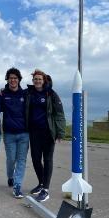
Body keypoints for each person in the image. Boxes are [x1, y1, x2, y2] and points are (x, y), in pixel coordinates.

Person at [26, 69, 66, 202]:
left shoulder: (51, 94)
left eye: (39, 79)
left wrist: (60, 132)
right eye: (35, 79)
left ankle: (46, 190)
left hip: (48, 132)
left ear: (44, 81)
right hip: (34, 132)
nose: (37, 81)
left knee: (47, 160)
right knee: (36, 159)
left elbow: (59, 113)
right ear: (33, 81)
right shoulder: (29, 93)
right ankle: (41, 183)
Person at [1, 68, 29, 199]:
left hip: (24, 133)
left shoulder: (25, 94)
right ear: (7, 79)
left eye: (15, 78)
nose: (13, 80)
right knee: (11, 159)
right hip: (9, 134)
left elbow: (44, 87)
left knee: (21, 160)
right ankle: (10, 177)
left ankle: (17, 186)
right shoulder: (2, 94)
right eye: (11, 78)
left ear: (19, 80)